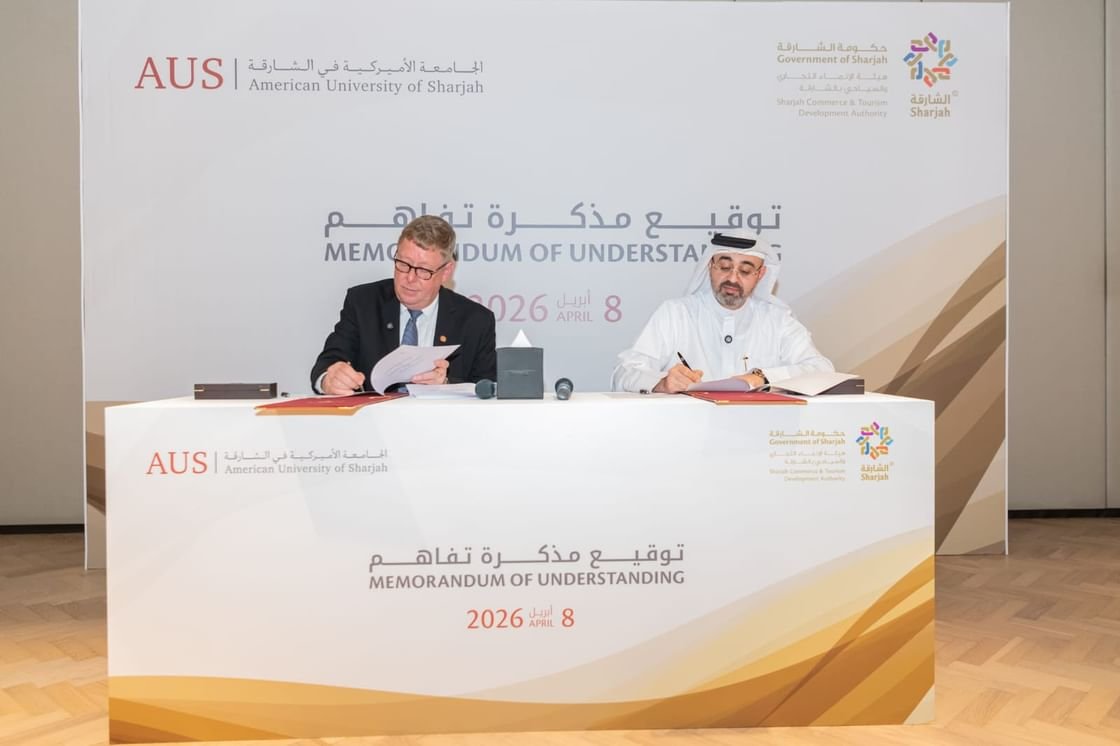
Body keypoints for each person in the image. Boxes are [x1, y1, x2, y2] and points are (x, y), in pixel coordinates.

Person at [611, 232, 833, 393]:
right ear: (710, 266)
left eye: (745, 270)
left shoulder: (778, 321)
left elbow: (823, 371)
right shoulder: (676, 313)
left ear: (760, 274)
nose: (733, 279)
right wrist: (661, 383)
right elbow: (624, 373)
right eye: (725, 267)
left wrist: (763, 377)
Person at [311, 215, 496, 394]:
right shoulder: (363, 303)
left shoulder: (475, 321)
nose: (410, 278)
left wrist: (446, 385)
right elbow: (328, 362)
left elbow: (487, 388)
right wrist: (329, 379)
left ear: (446, 272)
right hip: (373, 415)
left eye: (423, 270)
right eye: (403, 264)